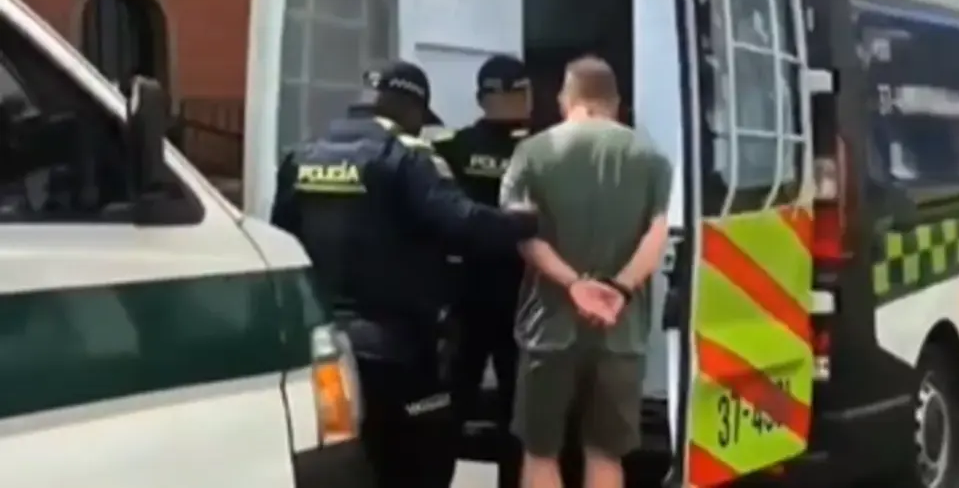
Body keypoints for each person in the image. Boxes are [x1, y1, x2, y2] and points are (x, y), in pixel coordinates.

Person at [268, 59, 552, 488]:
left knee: (342, 461)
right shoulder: (404, 154)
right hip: (397, 346)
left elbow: (282, 241)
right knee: (417, 460)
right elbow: (461, 223)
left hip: (326, 343)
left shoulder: (303, 153)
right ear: (412, 106)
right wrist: (525, 222)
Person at [499, 56, 674, 488]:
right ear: (615, 102)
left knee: (541, 453)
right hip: (620, 328)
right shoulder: (651, 157)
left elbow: (523, 234)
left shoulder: (532, 152)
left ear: (567, 97)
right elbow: (658, 235)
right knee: (605, 455)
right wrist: (620, 288)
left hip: (549, 326)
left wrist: (574, 284)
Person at [434, 55, 531, 488]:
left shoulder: (451, 148)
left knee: (455, 404)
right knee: (515, 409)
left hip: (470, 293)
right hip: (515, 295)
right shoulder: (539, 150)